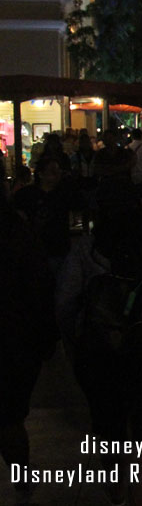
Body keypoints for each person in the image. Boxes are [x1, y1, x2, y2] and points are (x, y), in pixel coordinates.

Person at [57, 200, 142, 506]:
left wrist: (72, 341)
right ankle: (140, 498)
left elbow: (65, 300)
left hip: (101, 350)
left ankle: (117, 493)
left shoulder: (87, 250)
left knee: (107, 424)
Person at [0, 193, 57, 506]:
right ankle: (21, 475)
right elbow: (40, 284)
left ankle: (21, 474)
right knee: (10, 416)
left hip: (14, 337)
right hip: (15, 338)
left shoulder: (16, 230)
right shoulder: (17, 231)